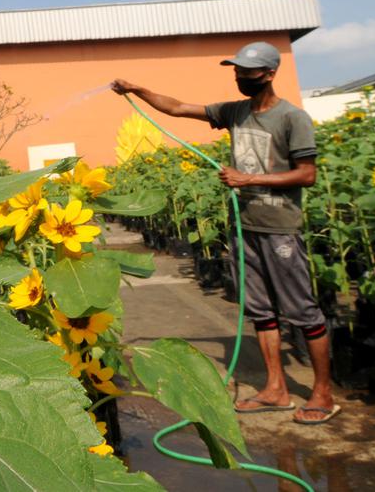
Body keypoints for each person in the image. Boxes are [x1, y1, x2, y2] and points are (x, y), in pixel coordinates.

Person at [110, 41, 338, 425]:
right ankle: (276, 390)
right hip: (245, 227)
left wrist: (249, 177)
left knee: (302, 311)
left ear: (267, 74)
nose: (238, 77)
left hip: (280, 228)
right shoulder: (235, 112)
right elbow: (179, 107)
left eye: (246, 72)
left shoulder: (291, 118)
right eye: (235, 71)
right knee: (262, 312)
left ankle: (323, 394)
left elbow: (307, 174)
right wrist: (137, 90)